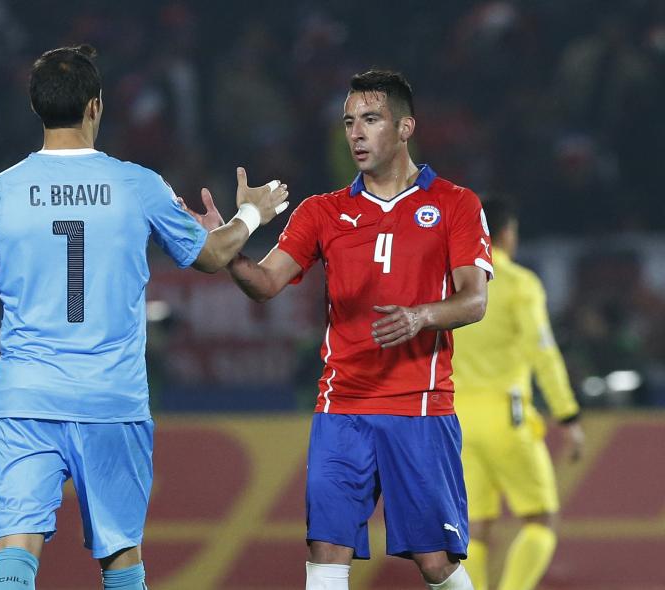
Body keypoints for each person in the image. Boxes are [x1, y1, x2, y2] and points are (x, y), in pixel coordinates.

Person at [0, 44, 288, 590]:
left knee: (17, 547)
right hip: (112, 400)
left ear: (36, 107)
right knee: (121, 558)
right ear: (96, 106)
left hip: (27, 396)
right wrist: (252, 213)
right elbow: (214, 256)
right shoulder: (137, 185)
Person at [185, 69, 492, 590]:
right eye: (349, 122)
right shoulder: (323, 211)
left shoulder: (455, 204)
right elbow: (264, 284)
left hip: (419, 405)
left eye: (370, 120)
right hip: (341, 406)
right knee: (326, 552)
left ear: (405, 127)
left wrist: (420, 316)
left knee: (435, 562)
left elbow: (474, 300)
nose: (356, 133)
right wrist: (228, 246)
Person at [451, 196, 585, 590]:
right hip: (505, 417)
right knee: (540, 518)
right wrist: (568, 415)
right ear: (507, 234)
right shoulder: (518, 284)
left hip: (456, 420)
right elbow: (541, 353)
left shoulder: (448, 281)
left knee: (474, 530)